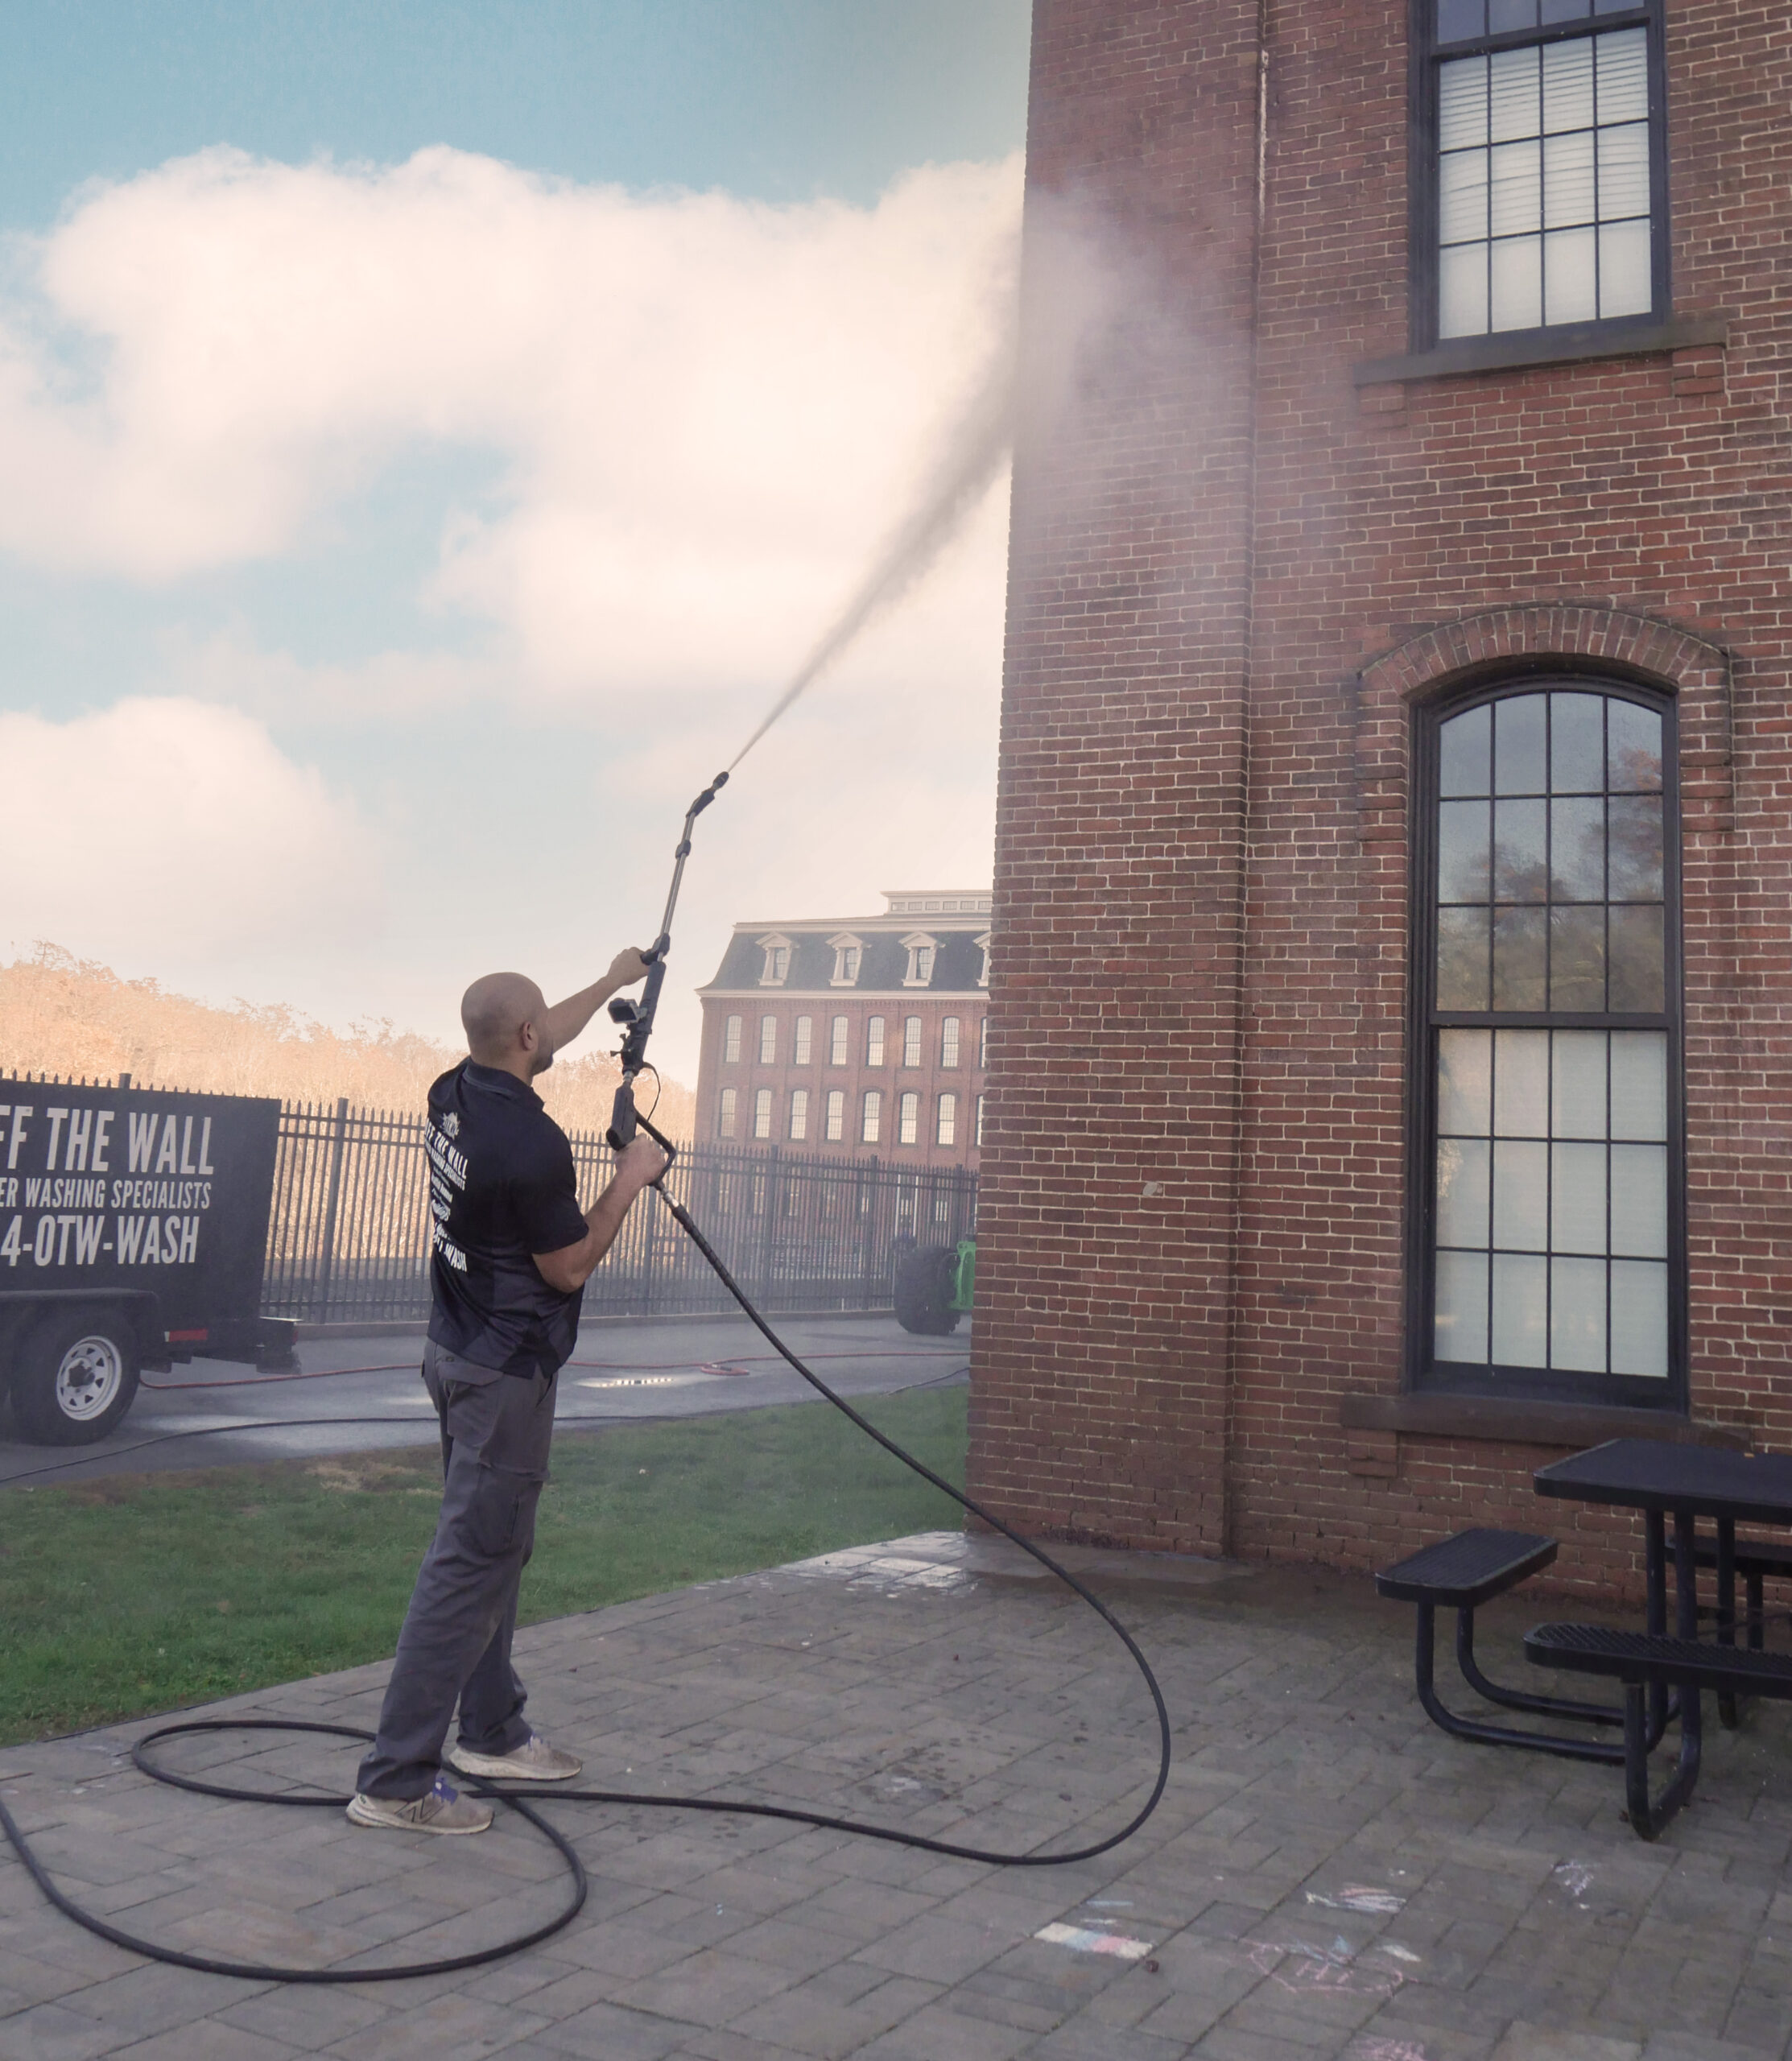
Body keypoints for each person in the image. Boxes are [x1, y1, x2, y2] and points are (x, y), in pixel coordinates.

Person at [349, 951, 668, 1835]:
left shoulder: (452, 1091)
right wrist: (631, 1180)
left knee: (493, 1550)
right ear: (523, 1039)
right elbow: (566, 1266)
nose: (550, 1038)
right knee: (465, 1568)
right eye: (542, 1032)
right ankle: (396, 1779)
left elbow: (543, 1031)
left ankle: (489, 1729)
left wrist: (612, 979)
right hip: (502, 1372)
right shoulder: (529, 1143)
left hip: (454, 1351)